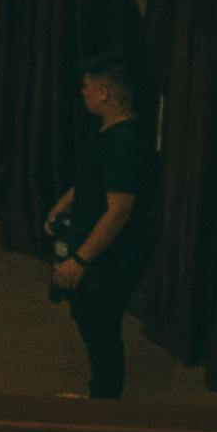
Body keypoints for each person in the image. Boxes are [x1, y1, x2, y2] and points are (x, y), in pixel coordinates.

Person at [49, 57, 154, 402]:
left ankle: (104, 409)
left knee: (101, 332)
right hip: (95, 253)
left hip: (109, 260)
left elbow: (119, 211)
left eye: (87, 86)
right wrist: (66, 202)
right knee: (92, 323)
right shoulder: (110, 134)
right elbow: (95, 177)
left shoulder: (126, 142)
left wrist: (79, 261)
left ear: (105, 92)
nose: (83, 93)